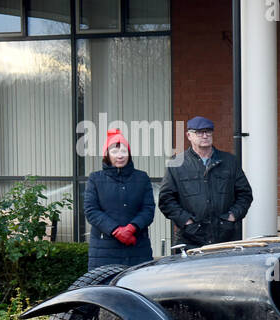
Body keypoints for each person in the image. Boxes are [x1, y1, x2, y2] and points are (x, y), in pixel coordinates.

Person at [158, 115, 253, 249]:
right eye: (199, 132)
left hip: (226, 238)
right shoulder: (176, 164)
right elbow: (166, 200)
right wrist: (187, 221)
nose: (205, 135)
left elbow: (245, 194)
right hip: (190, 239)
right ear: (189, 135)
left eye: (208, 131)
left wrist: (232, 216)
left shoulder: (229, 162)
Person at [82, 128, 155, 269]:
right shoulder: (95, 179)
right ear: (107, 155)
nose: (120, 156)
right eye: (114, 152)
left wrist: (131, 228)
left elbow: (148, 209)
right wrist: (115, 230)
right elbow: (91, 211)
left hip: (138, 247)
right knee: (105, 289)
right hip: (104, 249)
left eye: (123, 151)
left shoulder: (142, 177)